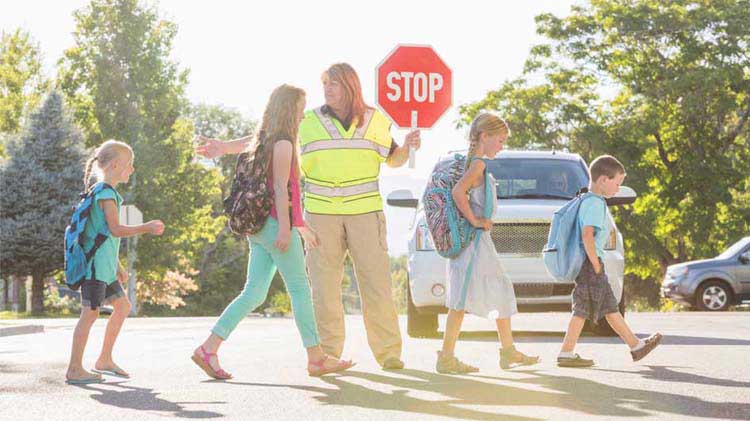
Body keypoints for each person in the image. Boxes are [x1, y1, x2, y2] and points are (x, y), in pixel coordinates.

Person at [192, 84, 354, 379]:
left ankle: (209, 348)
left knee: (253, 293)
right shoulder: (283, 143)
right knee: (300, 290)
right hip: (275, 225)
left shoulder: (265, 138)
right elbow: (281, 188)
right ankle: (316, 358)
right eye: (301, 108)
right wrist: (285, 229)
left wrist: (221, 147)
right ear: (289, 109)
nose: (304, 114)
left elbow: (245, 145)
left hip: (260, 227)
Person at [298, 63, 420, 370]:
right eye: (325, 83)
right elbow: (268, 139)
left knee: (376, 285)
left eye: (334, 84)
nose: (327, 89)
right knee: (324, 289)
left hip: (365, 214)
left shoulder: (374, 119)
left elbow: (393, 159)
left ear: (351, 86)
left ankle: (389, 353)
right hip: (320, 216)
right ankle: (328, 354)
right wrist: (224, 147)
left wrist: (406, 147)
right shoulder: (307, 121)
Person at [436, 113, 539, 374]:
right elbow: (458, 191)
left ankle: (506, 351)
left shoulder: (473, 162)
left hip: (476, 242)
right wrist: (476, 220)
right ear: (484, 137)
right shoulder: (478, 165)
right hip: (475, 243)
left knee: (479, 294)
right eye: (500, 140)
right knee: (464, 299)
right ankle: (450, 357)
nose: (502, 146)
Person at [66, 140, 165, 384]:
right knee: (89, 314)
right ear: (116, 165)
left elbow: (101, 235)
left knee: (122, 306)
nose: (131, 169)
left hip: (105, 268)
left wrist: (118, 266)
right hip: (94, 269)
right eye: (129, 165)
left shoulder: (101, 191)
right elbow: (116, 229)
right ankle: (74, 368)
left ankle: (105, 359)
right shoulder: (106, 193)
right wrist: (147, 227)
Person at [557, 155, 662, 367]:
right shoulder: (595, 203)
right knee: (582, 309)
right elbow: (587, 235)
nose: (618, 189)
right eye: (617, 183)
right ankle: (566, 353)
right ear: (604, 179)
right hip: (591, 263)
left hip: (591, 262)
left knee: (609, 307)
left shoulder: (588, 200)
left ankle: (636, 346)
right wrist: (596, 264)